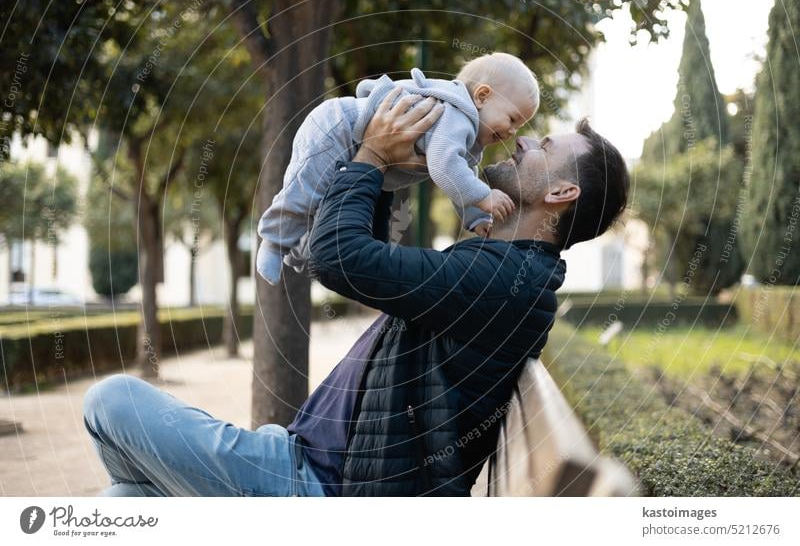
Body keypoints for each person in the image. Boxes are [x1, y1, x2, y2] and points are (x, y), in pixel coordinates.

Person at [83, 90, 629, 497]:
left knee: (109, 402)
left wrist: (369, 155)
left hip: (324, 490)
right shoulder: (501, 267)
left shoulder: (504, 284)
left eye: (545, 145)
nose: (524, 140)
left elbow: (341, 258)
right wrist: (388, 170)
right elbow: (369, 262)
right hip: (304, 457)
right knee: (124, 503)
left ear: (561, 192)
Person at [256, 52, 539, 285]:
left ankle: (293, 246)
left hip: (352, 141)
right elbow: (445, 167)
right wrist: (483, 196)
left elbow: (461, 176)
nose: (513, 131)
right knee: (305, 190)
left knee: (320, 202)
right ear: (482, 96)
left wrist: (476, 217)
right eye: (512, 119)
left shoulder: (469, 135)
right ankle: (273, 241)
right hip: (337, 127)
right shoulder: (456, 115)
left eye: (519, 126)